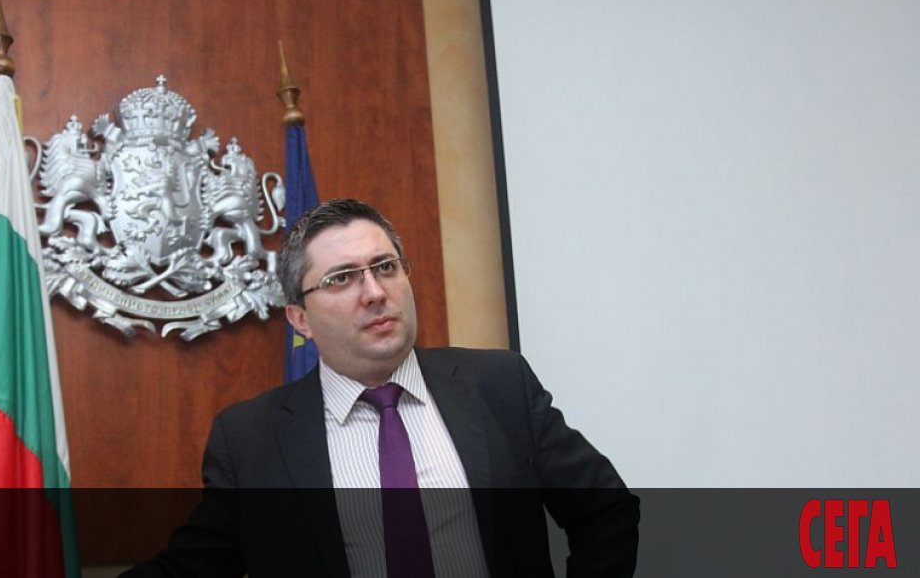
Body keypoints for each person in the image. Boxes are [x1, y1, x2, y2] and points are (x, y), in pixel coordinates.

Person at [122, 199, 639, 577]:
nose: (374, 292)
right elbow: (194, 566)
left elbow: (606, 510)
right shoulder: (252, 439)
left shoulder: (498, 384)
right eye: (342, 278)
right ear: (300, 319)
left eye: (385, 268)